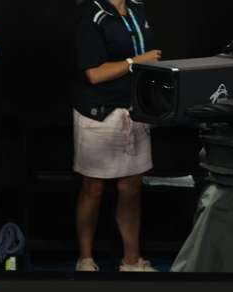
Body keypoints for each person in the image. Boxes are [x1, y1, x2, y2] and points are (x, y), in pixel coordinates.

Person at [73, 0, 161, 273]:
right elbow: (95, 74)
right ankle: (85, 259)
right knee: (93, 188)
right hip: (98, 114)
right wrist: (137, 62)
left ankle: (132, 260)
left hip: (134, 111)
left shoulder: (137, 9)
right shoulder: (92, 15)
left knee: (131, 188)